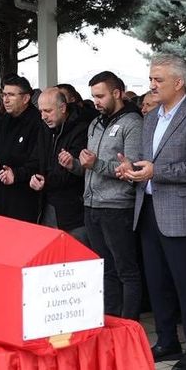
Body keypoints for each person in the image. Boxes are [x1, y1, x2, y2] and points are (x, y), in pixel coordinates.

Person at [124, 55, 186, 370]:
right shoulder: (150, 118)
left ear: (179, 83)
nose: (152, 85)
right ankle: (166, 341)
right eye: (151, 78)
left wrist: (155, 172)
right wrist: (131, 169)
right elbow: (145, 162)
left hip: (181, 213)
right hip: (148, 208)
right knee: (157, 281)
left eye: (158, 80)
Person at [68, 71, 144, 318]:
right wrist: (74, 165)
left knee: (126, 270)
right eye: (93, 97)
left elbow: (131, 168)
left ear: (117, 93)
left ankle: (129, 325)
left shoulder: (133, 123)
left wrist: (97, 164)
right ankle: (110, 321)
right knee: (105, 268)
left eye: (100, 96)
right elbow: (90, 166)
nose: (96, 102)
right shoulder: (95, 123)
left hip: (117, 206)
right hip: (92, 204)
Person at [29, 88, 89, 242]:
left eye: (48, 111)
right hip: (46, 206)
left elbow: (75, 172)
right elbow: (36, 160)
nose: (43, 116)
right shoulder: (44, 128)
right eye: (41, 111)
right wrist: (33, 177)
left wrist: (45, 181)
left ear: (63, 108)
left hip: (74, 212)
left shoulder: (81, 129)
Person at [0, 75, 42, 222]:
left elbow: (38, 161)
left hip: (26, 197)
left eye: (11, 95)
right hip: (1, 194)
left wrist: (16, 174)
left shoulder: (38, 122)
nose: (6, 100)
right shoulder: (3, 120)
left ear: (26, 98)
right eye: (4, 95)